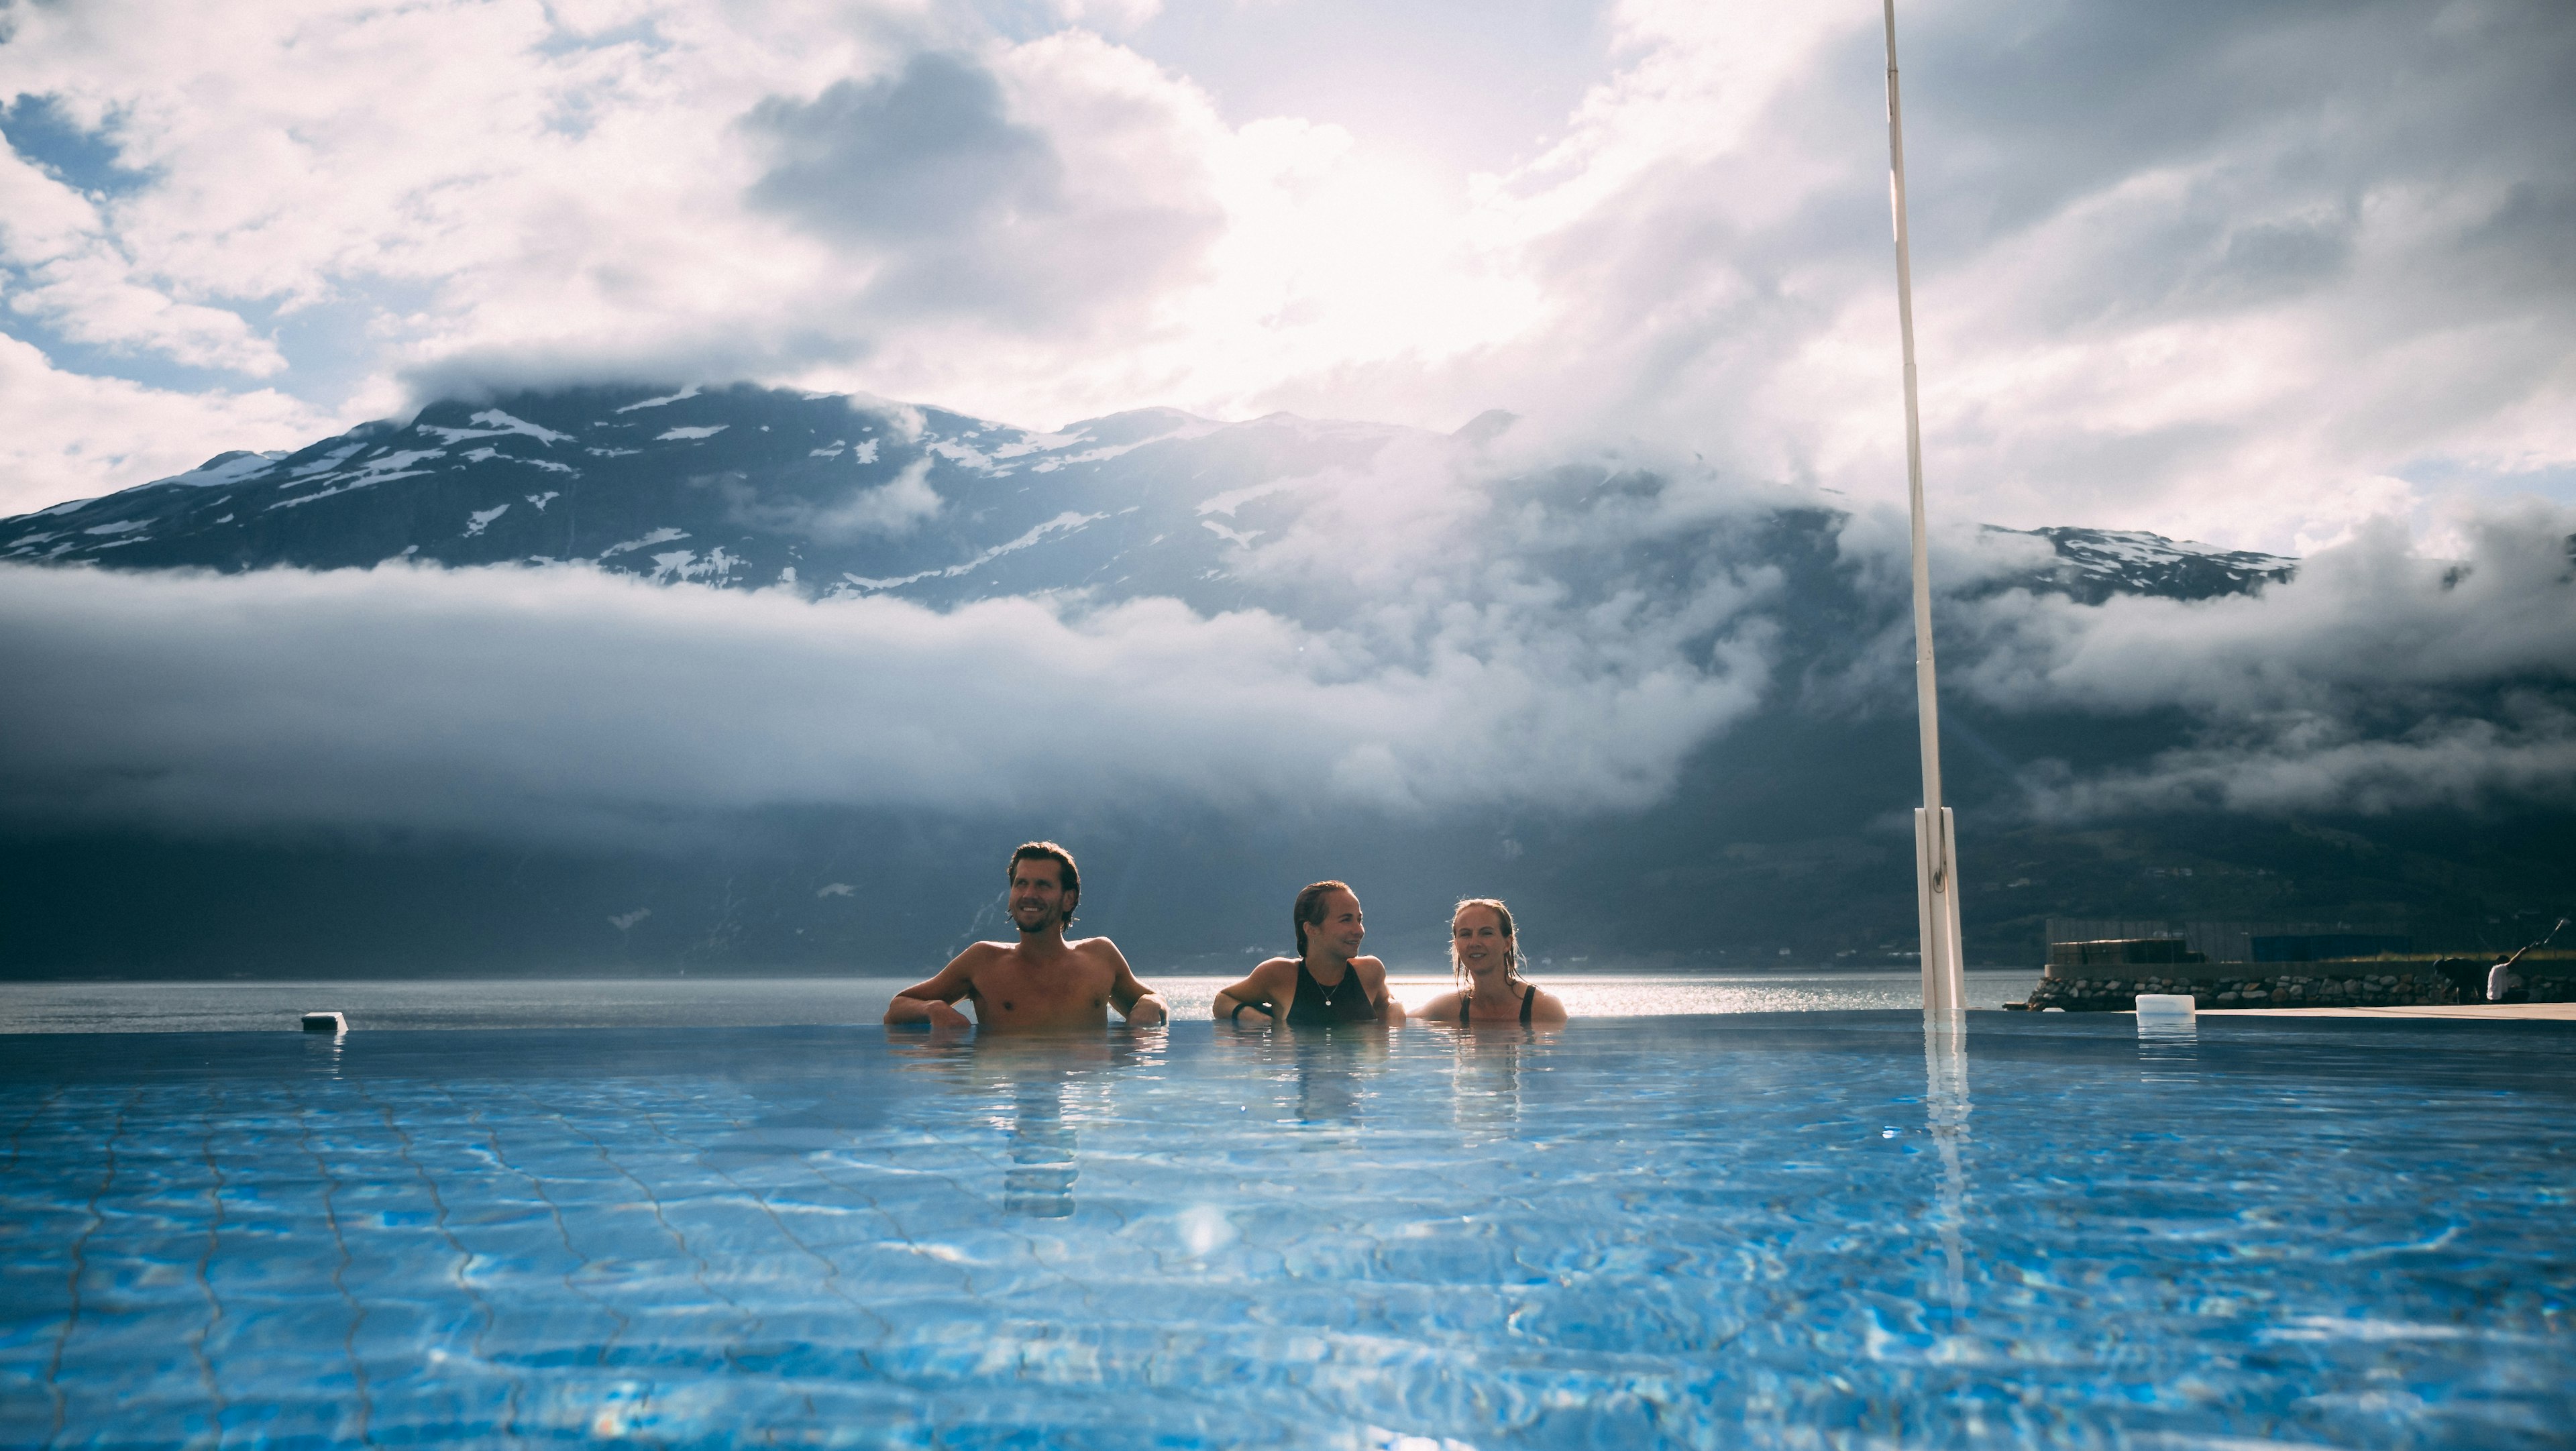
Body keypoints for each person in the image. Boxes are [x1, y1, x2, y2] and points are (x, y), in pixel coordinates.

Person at [885, 841, 1169, 1031]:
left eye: (1043, 885)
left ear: (1068, 899)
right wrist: (933, 1008)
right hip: (1006, 1083)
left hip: (1080, 1093)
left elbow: (1155, 999)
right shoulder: (983, 961)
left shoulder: (1100, 957)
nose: (1029, 894)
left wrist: (1150, 1003)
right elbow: (897, 1008)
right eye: (1021, 884)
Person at [1213, 880, 1403, 1026]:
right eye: (1346, 920)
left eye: (1359, 920)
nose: (1359, 930)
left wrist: (1394, 1007)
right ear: (1311, 929)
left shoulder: (1370, 972)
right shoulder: (1279, 974)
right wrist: (1247, 1014)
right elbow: (1223, 1000)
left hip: (1353, 1075)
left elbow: (1385, 1002)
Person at [1415, 898, 1567, 1027]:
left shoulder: (1543, 1008)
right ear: (1456, 945)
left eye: (1486, 933)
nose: (1474, 943)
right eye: (1466, 934)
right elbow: (1400, 1016)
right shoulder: (1448, 1008)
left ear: (1507, 943)